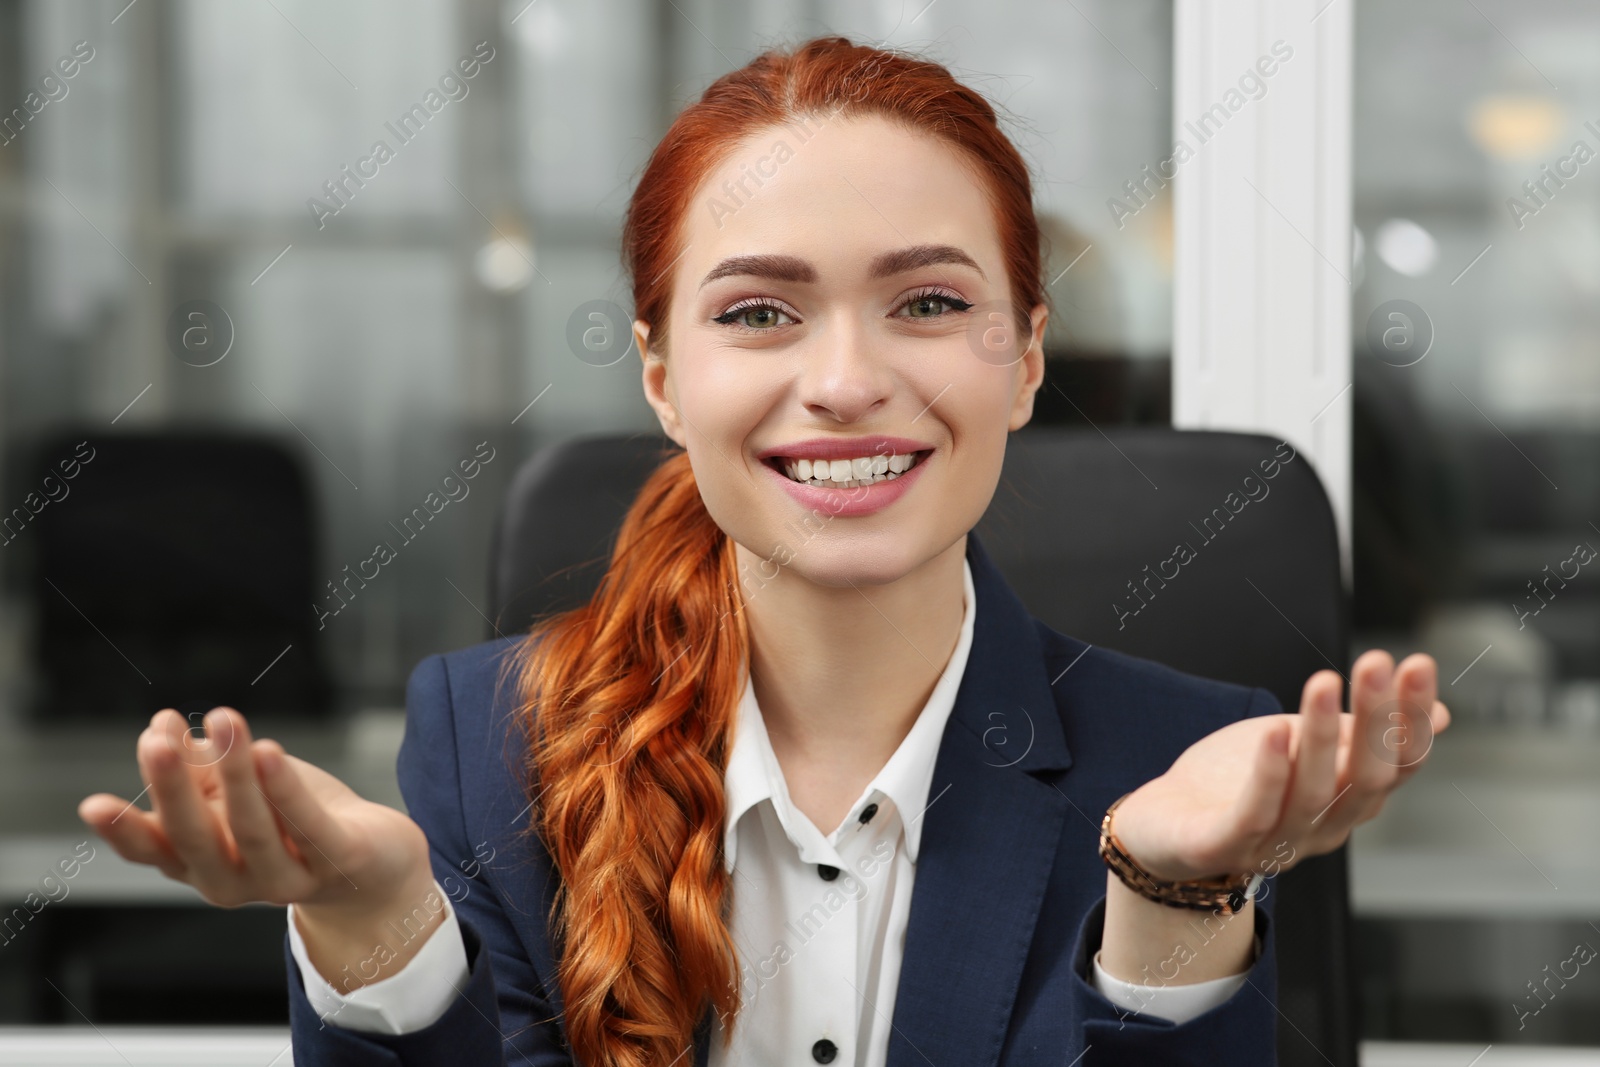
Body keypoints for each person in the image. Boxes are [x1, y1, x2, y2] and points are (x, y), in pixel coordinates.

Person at [77, 34, 1449, 1067]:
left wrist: (1171, 904)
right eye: (759, 315)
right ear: (662, 376)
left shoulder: (1196, 768)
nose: (846, 381)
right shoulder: (488, 741)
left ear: (1025, 357)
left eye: (925, 300)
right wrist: (381, 928)